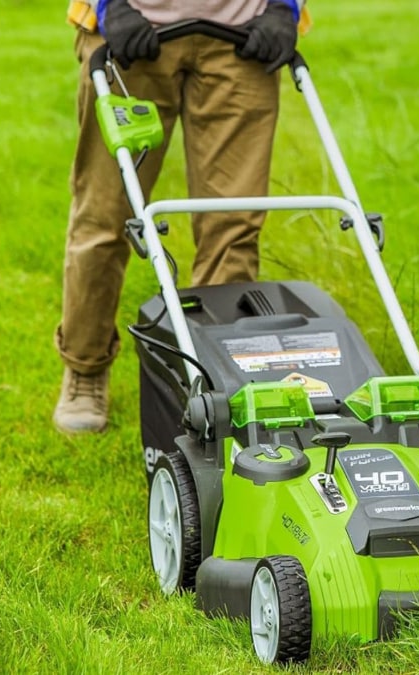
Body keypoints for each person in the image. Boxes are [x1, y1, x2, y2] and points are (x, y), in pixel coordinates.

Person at [54, 0, 303, 433]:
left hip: (244, 37)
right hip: (130, 33)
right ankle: (85, 367)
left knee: (232, 224)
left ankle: (211, 379)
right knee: (105, 215)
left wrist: (285, 7)